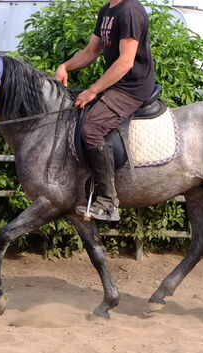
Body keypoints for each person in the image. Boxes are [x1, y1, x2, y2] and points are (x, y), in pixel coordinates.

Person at [56, 0, 156, 221]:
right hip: (117, 85)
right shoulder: (107, 10)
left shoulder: (130, 10)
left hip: (133, 87)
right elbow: (92, 51)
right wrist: (65, 66)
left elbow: (126, 61)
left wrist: (92, 90)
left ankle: (108, 201)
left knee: (92, 128)